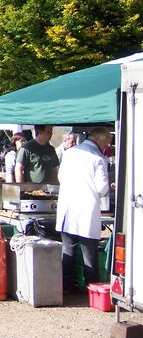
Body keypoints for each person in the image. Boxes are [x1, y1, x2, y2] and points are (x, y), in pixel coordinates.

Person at [55, 126, 111, 294]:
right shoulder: (98, 158)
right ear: (100, 139)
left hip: (68, 206)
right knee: (89, 252)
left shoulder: (70, 153)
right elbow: (102, 188)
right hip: (87, 208)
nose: (107, 146)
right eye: (107, 142)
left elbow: (60, 177)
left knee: (68, 249)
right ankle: (91, 289)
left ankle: (66, 287)